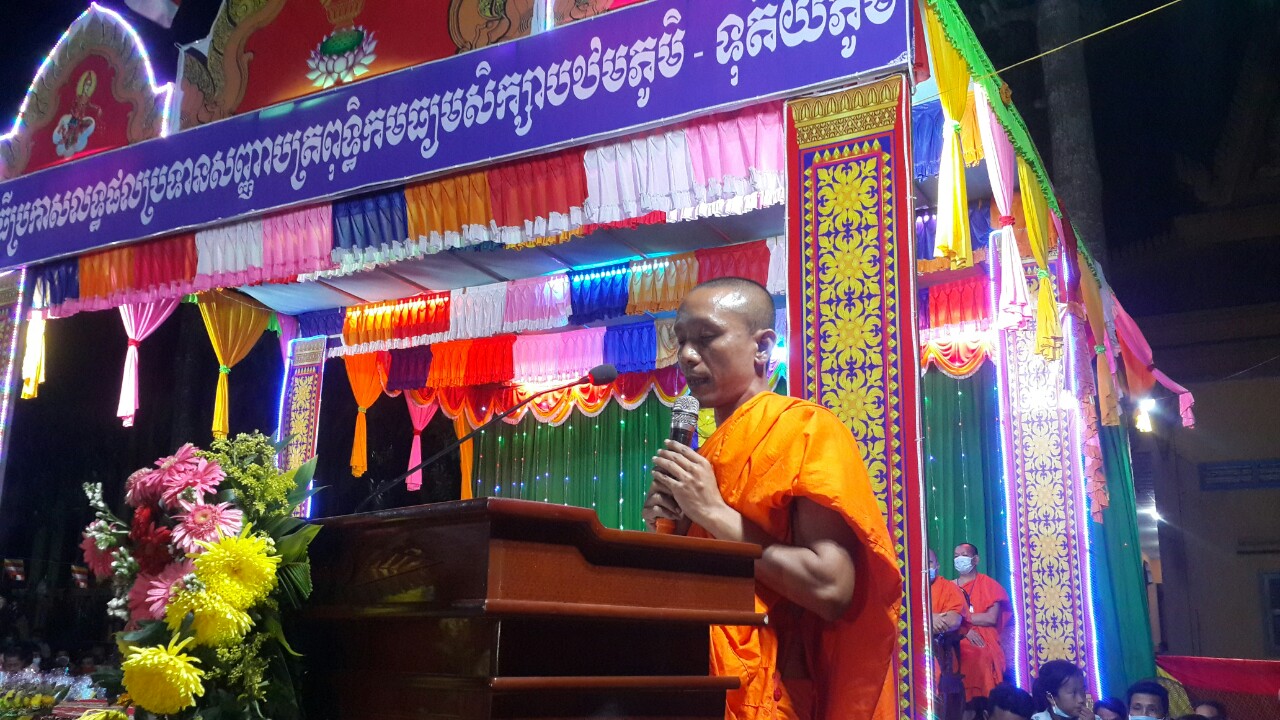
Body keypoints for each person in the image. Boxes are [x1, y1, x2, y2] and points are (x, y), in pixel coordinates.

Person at [642, 277, 902, 720]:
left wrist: (713, 514)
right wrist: (671, 531)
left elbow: (832, 587)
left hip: (771, 690)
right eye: (681, 340)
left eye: (706, 337)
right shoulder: (708, 454)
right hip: (693, 677)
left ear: (762, 346)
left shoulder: (805, 430)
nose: (686, 355)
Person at [954, 542, 1011, 701]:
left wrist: (961, 619)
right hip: (958, 637)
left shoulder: (989, 584)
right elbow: (946, 618)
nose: (959, 559)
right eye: (956, 556)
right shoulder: (949, 587)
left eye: (964, 555)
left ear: (976, 559)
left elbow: (990, 618)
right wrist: (964, 630)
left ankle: (984, 702)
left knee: (982, 655)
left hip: (984, 640)